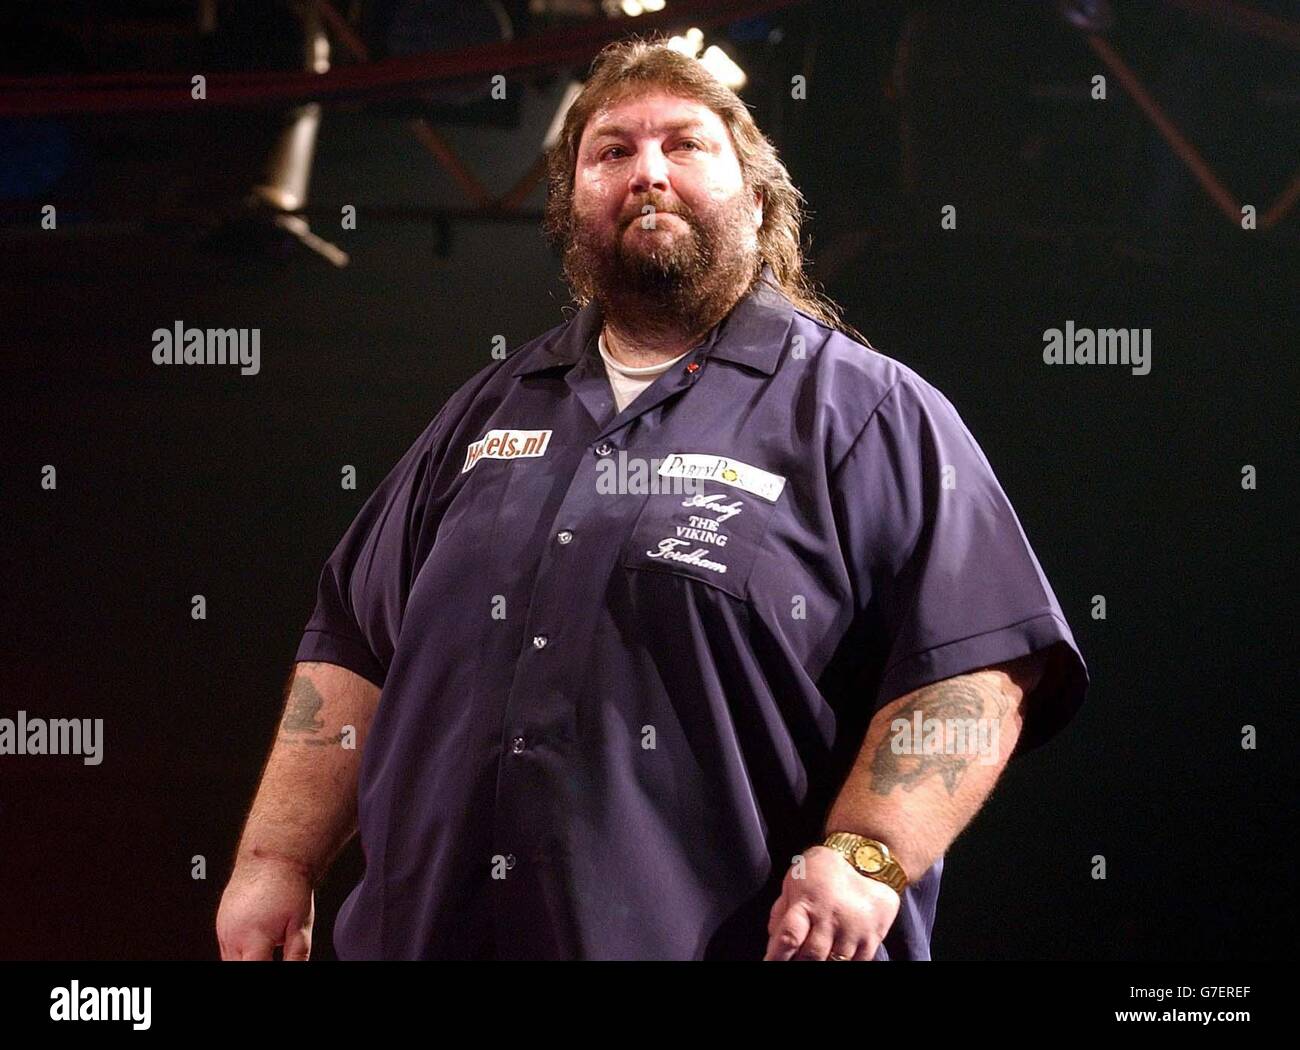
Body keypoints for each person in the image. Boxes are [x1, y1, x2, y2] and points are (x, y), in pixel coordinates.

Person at [217, 37, 1088, 962]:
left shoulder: (864, 411)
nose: (648, 174)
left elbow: (973, 668)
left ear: (757, 200)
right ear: (571, 205)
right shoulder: (487, 410)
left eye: (684, 145)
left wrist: (867, 856)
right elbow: (354, 644)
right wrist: (276, 861)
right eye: (612, 152)